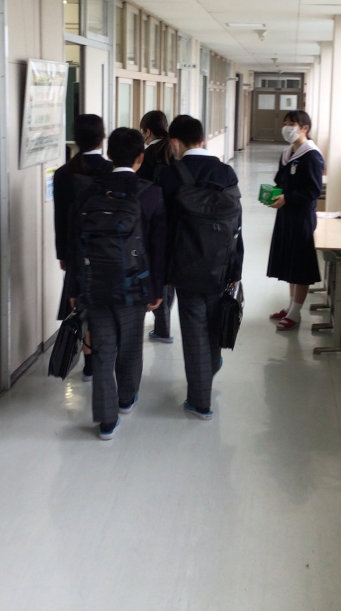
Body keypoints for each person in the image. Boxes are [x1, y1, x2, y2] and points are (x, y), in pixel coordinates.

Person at [66, 128, 166, 440]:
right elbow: (158, 247)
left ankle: (106, 421)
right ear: (140, 158)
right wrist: (157, 289)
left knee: (103, 349)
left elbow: (74, 245)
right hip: (134, 285)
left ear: (109, 155)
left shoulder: (88, 192)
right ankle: (126, 399)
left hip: (94, 285)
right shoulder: (150, 193)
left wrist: (74, 289)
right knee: (131, 345)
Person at [158, 115, 243, 420]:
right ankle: (211, 364)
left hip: (186, 265)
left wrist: (162, 272)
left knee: (194, 329)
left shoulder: (169, 175)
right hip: (221, 264)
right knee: (214, 319)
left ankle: (200, 401)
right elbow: (237, 225)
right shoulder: (226, 172)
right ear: (203, 139)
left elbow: (162, 229)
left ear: (174, 142)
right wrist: (236, 268)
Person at [53, 114, 111, 380]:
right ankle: (101, 357)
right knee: (103, 303)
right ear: (102, 138)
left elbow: (60, 218)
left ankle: (89, 364)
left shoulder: (64, 173)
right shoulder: (110, 170)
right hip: (108, 249)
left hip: (77, 249)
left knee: (81, 303)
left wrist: (63, 254)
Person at [267, 110, 324, 331]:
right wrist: (274, 194)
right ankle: (291, 306)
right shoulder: (288, 153)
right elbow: (280, 180)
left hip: (301, 217)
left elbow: (313, 190)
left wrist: (288, 198)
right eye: (285, 123)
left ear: (304, 128)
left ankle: (295, 313)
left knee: (300, 265)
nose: (287, 128)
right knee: (290, 261)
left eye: (292, 124)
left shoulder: (311, 155)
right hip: (286, 214)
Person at [138, 110, 175, 343]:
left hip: (153, 221)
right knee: (168, 273)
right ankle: (164, 325)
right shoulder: (173, 150)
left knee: (156, 269)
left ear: (148, 131)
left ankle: (162, 328)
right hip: (175, 221)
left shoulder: (147, 156)